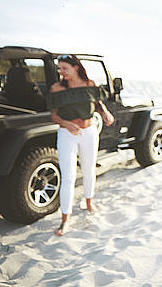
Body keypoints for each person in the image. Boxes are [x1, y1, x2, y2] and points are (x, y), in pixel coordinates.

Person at [47, 54, 114, 236]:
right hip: (67, 134)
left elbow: (97, 101)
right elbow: (54, 115)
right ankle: (65, 220)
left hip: (89, 132)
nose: (61, 72)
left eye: (64, 68)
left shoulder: (90, 84)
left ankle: (89, 202)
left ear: (76, 67)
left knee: (88, 170)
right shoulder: (57, 88)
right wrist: (66, 123)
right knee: (68, 176)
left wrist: (105, 112)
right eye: (59, 69)